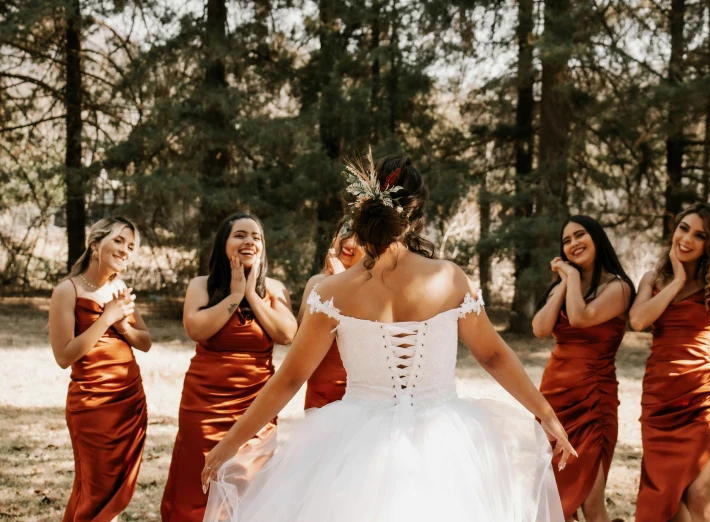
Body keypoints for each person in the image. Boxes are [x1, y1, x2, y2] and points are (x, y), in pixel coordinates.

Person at [201, 153, 574, 522]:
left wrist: (230, 443)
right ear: (415, 215)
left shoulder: (333, 292)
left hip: (353, 445)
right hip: (446, 444)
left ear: (362, 212)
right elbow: (493, 355)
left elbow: (290, 379)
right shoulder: (449, 278)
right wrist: (546, 414)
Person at [160, 212, 298, 522]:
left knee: (248, 480)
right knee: (198, 482)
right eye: (240, 235)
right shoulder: (202, 285)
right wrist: (235, 296)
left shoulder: (274, 289)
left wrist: (251, 294)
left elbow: (287, 334)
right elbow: (196, 329)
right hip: (204, 404)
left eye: (256, 237)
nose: (249, 241)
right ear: (224, 243)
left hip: (256, 405)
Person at [629, 203, 710, 522]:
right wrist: (677, 281)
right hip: (659, 401)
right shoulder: (652, 279)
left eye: (700, 235)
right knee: (667, 498)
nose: (687, 239)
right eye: (683, 228)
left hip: (705, 397)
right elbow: (638, 320)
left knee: (699, 495)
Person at [532, 215, 635, 522]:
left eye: (580, 235)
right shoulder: (564, 287)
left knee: (590, 498)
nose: (574, 243)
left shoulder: (618, 287)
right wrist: (565, 283)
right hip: (553, 399)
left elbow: (580, 318)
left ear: (597, 238)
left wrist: (571, 279)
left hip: (593, 400)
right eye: (566, 240)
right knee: (550, 495)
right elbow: (540, 328)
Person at [49, 216, 151, 522]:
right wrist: (106, 319)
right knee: (94, 489)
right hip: (92, 405)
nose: (125, 250)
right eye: (118, 240)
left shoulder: (120, 289)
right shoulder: (67, 291)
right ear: (95, 245)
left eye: (131, 246)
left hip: (129, 400)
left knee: (116, 492)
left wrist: (123, 326)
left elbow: (145, 342)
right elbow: (64, 355)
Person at [298, 218, 366, 409]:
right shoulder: (315, 283)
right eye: (346, 231)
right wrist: (327, 289)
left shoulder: (376, 290)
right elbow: (301, 342)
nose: (350, 243)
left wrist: (341, 289)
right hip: (320, 394)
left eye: (361, 240)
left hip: (361, 395)